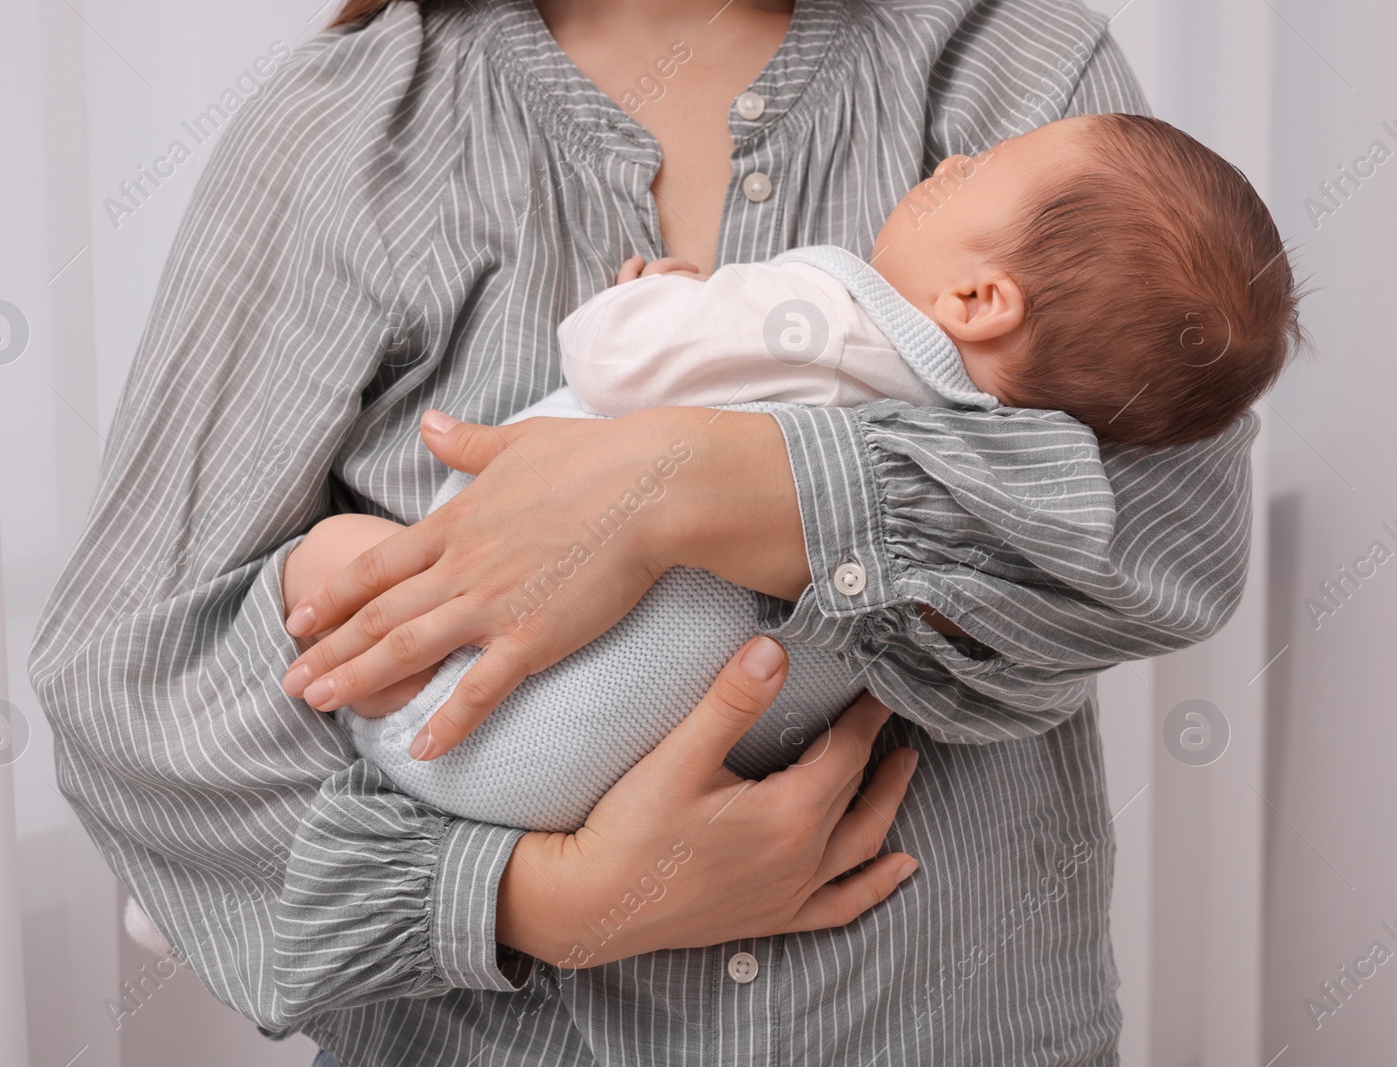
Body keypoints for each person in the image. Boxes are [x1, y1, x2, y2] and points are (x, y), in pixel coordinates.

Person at [28, 1, 1260, 1062]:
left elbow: (1162, 549)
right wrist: (534, 900)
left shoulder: (1014, 69)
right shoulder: (346, 132)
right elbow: (128, 673)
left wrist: (707, 478)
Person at [277, 112, 1300, 835]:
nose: (950, 158)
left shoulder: (831, 308)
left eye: (974, 173)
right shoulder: (1017, 463)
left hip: (463, 722)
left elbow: (608, 356)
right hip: (608, 782)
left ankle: (246, 873)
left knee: (331, 556)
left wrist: (654, 298)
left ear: (982, 295)